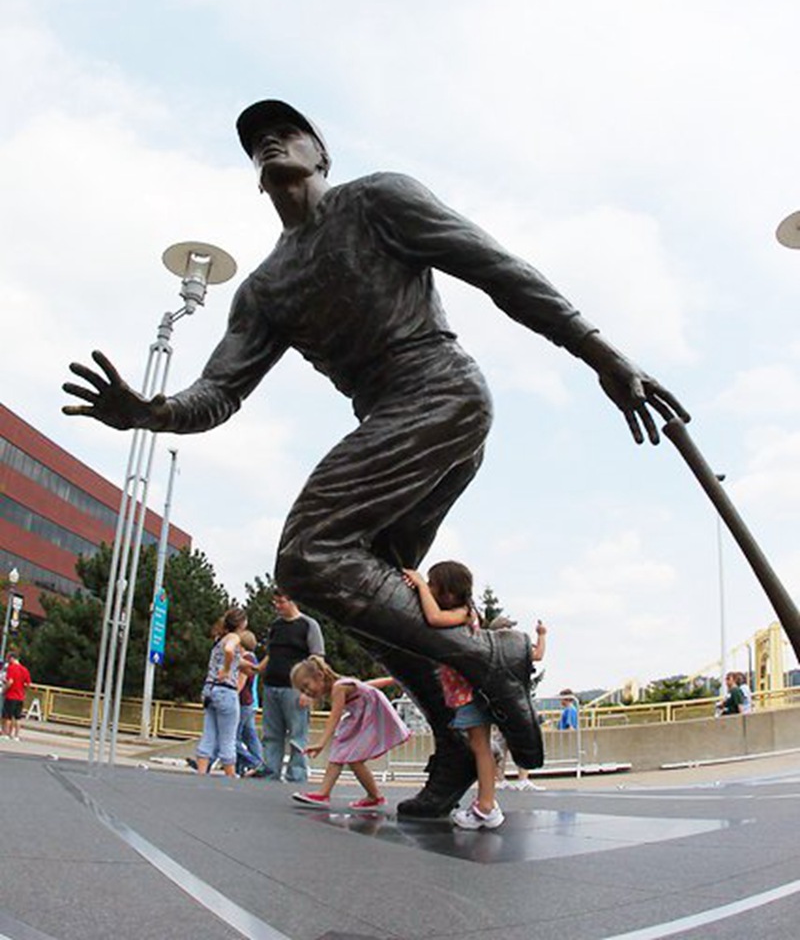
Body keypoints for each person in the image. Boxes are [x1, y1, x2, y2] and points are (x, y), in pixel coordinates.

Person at [62, 97, 689, 819]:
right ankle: (456, 751)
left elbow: (498, 270)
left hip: (440, 392)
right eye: (255, 142)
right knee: (368, 600)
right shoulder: (265, 289)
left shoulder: (378, 200)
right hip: (399, 422)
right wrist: (154, 411)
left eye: (285, 131)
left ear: (321, 156)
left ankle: (495, 654)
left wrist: (601, 353)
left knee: (305, 553)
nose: (269, 141)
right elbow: (219, 391)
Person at [403, 561, 503, 829]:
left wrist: (421, 585)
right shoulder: (465, 611)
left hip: (471, 693)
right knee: (479, 747)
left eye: (434, 584)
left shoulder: (464, 613)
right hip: (467, 691)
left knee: (481, 749)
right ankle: (487, 800)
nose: (430, 589)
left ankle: (485, 808)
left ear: (447, 592)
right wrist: (421, 587)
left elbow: (434, 618)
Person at [289, 654, 409, 809]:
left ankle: (369, 796)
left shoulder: (339, 687)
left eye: (306, 686)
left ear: (319, 676)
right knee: (345, 753)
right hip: (362, 717)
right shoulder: (342, 684)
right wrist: (393, 680)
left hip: (370, 716)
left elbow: (335, 716)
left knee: (352, 756)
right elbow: (368, 685)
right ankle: (332, 793)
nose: (306, 692)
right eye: (302, 690)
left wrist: (321, 742)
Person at [260, 589, 325, 782]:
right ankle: (271, 771)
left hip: (295, 689)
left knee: (297, 735)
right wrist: (257, 670)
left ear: (292, 601)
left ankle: (297, 775)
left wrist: (309, 691)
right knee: (272, 734)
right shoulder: (276, 626)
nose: (278, 607)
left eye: (281, 602)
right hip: (271, 685)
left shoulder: (308, 625)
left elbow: (317, 659)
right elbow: (270, 654)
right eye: (276, 603)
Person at [489, 616, 547, 785]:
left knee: (502, 740)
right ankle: (522, 778)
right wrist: (541, 635)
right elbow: (538, 655)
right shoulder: (516, 648)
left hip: (499, 699)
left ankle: (500, 778)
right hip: (517, 698)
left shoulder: (490, 649)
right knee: (522, 737)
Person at [196, 606, 248, 777]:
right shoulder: (233, 637)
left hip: (210, 689)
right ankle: (230, 778)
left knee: (209, 734)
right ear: (242, 623)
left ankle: (201, 773)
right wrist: (226, 669)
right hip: (226, 690)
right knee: (228, 738)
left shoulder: (219, 639)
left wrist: (257, 667)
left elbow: (236, 661)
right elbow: (229, 651)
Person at [236, 630, 268, 776]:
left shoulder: (246, 659)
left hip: (243, 702)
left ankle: (255, 763)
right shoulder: (253, 658)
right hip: (251, 702)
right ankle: (259, 763)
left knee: (232, 737)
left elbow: (241, 683)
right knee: (250, 736)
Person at [1, 649, 31, 741]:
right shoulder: (25, 669)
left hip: (11, 695)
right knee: (17, 717)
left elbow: (10, 682)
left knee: (8, 716)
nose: (8, 661)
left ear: (12, 658)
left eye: (8, 659)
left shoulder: (11, 668)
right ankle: (16, 736)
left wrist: (4, 690)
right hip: (20, 696)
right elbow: (27, 684)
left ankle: (6, 734)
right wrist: (22, 691)